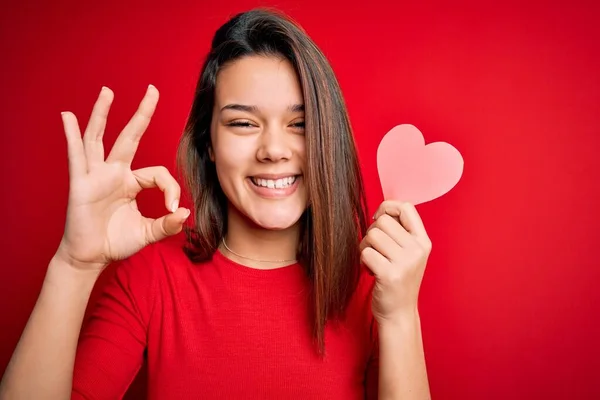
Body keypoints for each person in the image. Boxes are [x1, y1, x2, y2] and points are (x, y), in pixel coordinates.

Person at [0, 7, 432, 400]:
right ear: (208, 142)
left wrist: (400, 317)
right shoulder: (152, 279)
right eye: (243, 122)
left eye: (300, 124)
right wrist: (74, 266)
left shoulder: (373, 290)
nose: (274, 149)